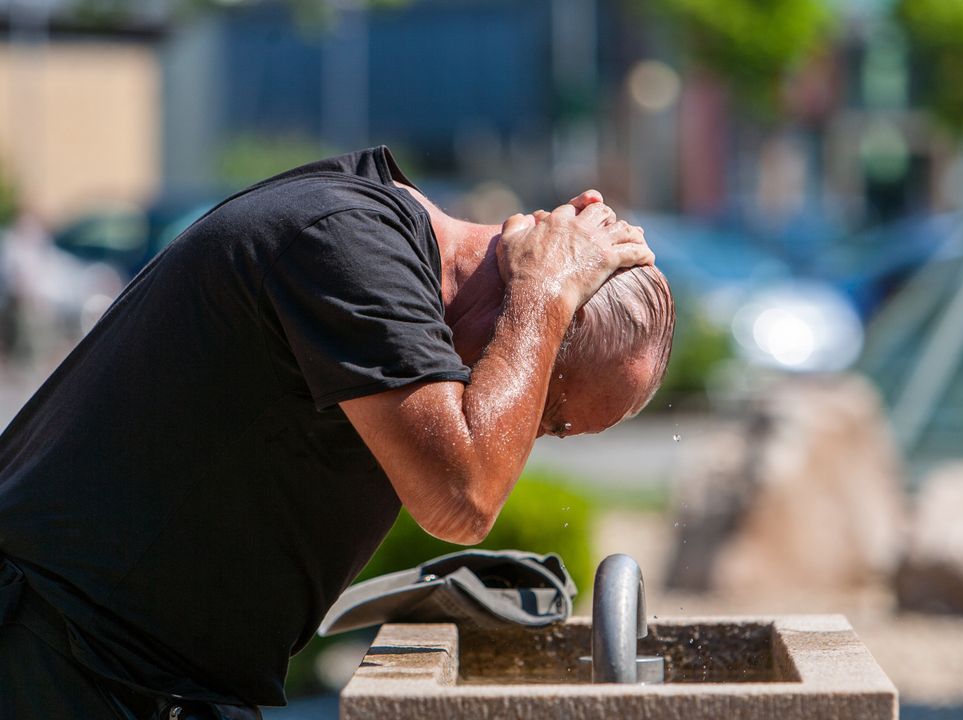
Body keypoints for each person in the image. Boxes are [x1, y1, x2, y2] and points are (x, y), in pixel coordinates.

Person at [0, 146, 674, 718]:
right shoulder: (349, 243)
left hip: (126, 668)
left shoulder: (377, 254)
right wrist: (544, 296)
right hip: (62, 652)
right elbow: (462, 497)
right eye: (549, 413)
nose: (524, 432)